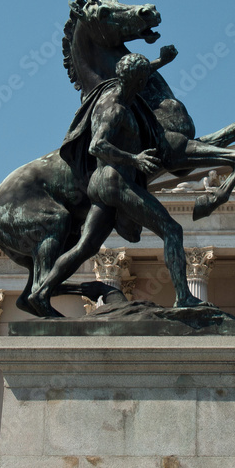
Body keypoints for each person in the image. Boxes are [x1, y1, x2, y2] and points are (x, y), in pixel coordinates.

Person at [30, 53, 200, 316]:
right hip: (114, 181)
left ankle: (41, 291)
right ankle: (185, 297)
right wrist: (135, 158)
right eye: (144, 77)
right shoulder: (116, 107)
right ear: (137, 79)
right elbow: (97, 144)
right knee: (171, 230)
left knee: (85, 247)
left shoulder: (117, 92)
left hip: (103, 182)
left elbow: (138, 73)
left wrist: (160, 62)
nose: (147, 82)